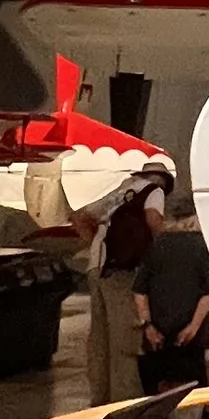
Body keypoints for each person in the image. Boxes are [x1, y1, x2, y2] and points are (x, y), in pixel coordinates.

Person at [83, 170, 165, 406]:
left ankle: (98, 405)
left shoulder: (120, 192)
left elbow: (80, 217)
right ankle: (125, 407)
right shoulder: (153, 191)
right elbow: (153, 220)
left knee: (99, 340)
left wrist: (97, 247)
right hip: (123, 272)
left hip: (95, 267)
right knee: (125, 341)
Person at [135, 203, 209, 398]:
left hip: (158, 332)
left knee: (161, 386)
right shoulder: (202, 245)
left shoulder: (157, 244)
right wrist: (193, 326)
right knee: (192, 386)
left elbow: (139, 291)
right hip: (189, 334)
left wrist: (148, 325)